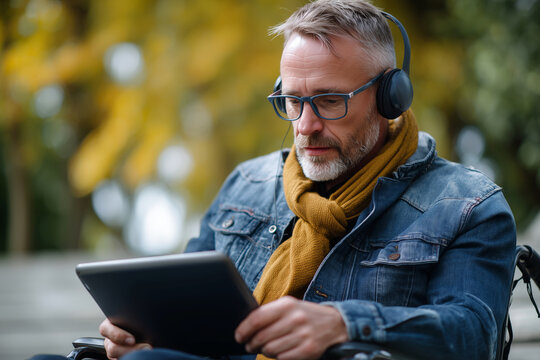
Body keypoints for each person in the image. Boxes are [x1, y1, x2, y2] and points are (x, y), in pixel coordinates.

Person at [98, 1, 517, 360]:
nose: (305, 125)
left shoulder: (469, 207)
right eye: (292, 101)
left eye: (329, 101)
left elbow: (472, 333)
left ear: (391, 97)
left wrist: (344, 324)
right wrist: (142, 336)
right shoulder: (245, 185)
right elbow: (180, 310)